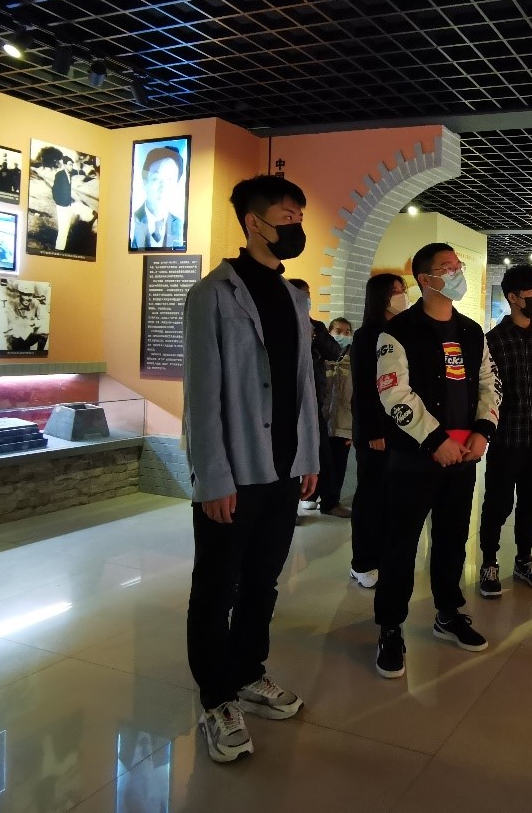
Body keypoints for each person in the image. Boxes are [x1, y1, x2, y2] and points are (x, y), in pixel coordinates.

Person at [182, 174, 319, 764]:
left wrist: (309, 456)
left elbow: (303, 384)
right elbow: (201, 393)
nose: (295, 225)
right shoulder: (213, 295)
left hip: (283, 468)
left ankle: (247, 671)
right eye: (286, 216)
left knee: (263, 581)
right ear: (253, 222)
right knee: (218, 587)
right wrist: (212, 477)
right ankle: (216, 697)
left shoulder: (294, 296)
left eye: (299, 216)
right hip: (235, 472)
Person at [373, 243, 501, 679]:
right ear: (425, 279)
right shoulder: (399, 331)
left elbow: (488, 383)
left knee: (452, 539)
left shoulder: (471, 331)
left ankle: (448, 612)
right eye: (447, 267)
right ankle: (390, 626)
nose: (456, 272)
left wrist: (483, 430)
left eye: (458, 265)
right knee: (400, 544)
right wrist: (434, 440)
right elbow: (394, 393)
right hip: (414, 459)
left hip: (462, 458)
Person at [477, 263, 532, 598]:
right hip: (507, 437)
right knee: (497, 503)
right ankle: (489, 562)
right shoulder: (492, 341)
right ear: (512, 297)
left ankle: (524, 558)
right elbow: (486, 391)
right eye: (530, 292)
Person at [348, 274, 408, 590]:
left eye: (403, 290)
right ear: (381, 297)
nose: (402, 295)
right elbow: (364, 388)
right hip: (376, 431)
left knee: (392, 497)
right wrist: (373, 430)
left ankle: (384, 556)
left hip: (401, 429)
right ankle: (362, 562)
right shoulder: (365, 336)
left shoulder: (405, 331)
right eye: (396, 291)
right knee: (370, 497)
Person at [288, 279, 342, 523]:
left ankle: (329, 502)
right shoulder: (281, 323)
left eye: (308, 294)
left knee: (322, 454)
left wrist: (315, 333)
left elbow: (334, 352)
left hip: (313, 402)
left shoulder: (316, 326)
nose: (306, 299)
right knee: (289, 458)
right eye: (301, 294)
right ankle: (290, 509)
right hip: (287, 404)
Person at [321, 317, 355, 517]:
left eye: (347, 332)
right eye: (338, 331)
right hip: (322, 420)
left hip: (344, 421)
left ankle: (331, 502)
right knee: (319, 461)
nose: (343, 335)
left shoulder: (354, 357)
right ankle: (310, 497)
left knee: (338, 464)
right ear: (329, 332)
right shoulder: (322, 355)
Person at [130, 146, 185, 249]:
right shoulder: (131, 221)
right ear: (145, 183)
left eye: (169, 179)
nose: (163, 187)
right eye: (156, 178)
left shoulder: (180, 225)